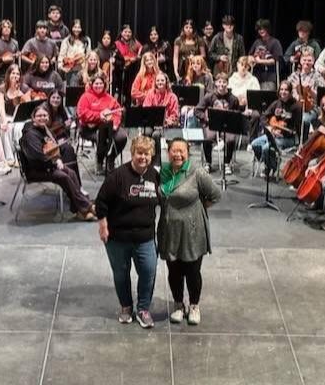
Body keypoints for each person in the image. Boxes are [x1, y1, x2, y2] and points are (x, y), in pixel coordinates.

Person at [96, 135, 160, 328]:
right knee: (121, 274)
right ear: (132, 153)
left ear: (152, 155)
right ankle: (125, 307)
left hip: (145, 237)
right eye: (139, 153)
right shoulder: (117, 176)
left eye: (147, 154)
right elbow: (101, 202)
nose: (143, 157)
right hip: (118, 238)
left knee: (149, 271)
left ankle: (143, 309)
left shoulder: (155, 175)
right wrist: (103, 226)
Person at [158, 138, 221, 325]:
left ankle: (194, 305)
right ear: (168, 153)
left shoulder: (197, 172)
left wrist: (197, 210)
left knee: (192, 271)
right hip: (169, 229)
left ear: (188, 152)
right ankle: (178, 304)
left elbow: (215, 195)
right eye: (174, 151)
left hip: (192, 231)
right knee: (174, 270)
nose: (178, 154)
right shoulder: (163, 172)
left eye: (181, 151)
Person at [20, 105, 96, 220]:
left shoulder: (43, 129)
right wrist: (55, 163)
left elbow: (51, 148)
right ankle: (86, 207)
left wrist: (58, 159)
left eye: (45, 115)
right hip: (35, 170)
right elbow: (38, 156)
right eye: (39, 116)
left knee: (71, 173)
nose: (42, 118)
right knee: (63, 176)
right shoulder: (31, 134)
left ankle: (80, 210)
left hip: (45, 166)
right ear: (33, 118)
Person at [77, 74, 127, 175]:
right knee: (101, 137)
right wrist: (99, 116)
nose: (98, 86)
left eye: (101, 83)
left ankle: (110, 158)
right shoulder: (85, 97)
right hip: (90, 128)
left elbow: (117, 112)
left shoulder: (109, 98)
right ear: (92, 84)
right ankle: (100, 161)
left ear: (104, 85)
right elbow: (82, 113)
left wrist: (115, 124)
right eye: (96, 83)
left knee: (122, 137)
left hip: (109, 127)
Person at [194, 72, 241, 175]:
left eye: (224, 82)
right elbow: (197, 110)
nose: (221, 84)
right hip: (212, 125)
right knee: (207, 138)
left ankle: (227, 163)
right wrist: (205, 118)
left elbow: (238, 114)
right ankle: (208, 163)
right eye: (219, 82)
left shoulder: (233, 99)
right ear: (215, 83)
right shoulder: (209, 96)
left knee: (231, 139)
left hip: (227, 126)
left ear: (227, 83)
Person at [251, 81, 299, 176]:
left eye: (286, 90)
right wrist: (270, 128)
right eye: (281, 89)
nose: (283, 92)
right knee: (254, 144)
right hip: (273, 134)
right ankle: (271, 163)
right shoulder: (276, 103)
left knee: (266, 148)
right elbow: (264, 116)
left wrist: (282, 132)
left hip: (287, 138)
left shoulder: (296, 106)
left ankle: (269, 167)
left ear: (290, 92)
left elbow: (296, 127)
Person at [142, 72, 180, 166]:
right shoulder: (150, 94)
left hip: (166, 125)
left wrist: (165, 122)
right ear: (155, 82)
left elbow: (174, 115)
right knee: (146, 132)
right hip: (152, 123)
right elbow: (145, 110)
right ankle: (147, 160)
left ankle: (156, 163)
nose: (160, 82)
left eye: (162, 80)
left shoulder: (172, 97)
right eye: (158, 80)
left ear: (166, 82)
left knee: (155, 135)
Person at [287, 49, 324, 140]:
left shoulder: (318, 76)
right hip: (296, 107)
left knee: (305, 120)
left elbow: (322, 97)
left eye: (309, 60)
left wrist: (310, 91)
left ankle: (304, 143)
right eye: (304, 60)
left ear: (313, 61)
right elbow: (286, 92)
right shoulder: (294, 76)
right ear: (300, 61)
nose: (306, 62)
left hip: (313, 107)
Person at [0, 64, 29, 166]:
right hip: (8, 115)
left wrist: (19, 93)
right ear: (8, 74)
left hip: (21, 117)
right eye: (13, 73)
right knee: (6, 128)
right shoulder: (2, 88)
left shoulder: (24, 88)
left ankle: (18, 157)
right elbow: (1, 107)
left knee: (18, 128)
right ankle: (9, 157)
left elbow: (27, 106)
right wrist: (4, 120)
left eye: (17, 74)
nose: (15, 76)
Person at [248, 19, 283, 91]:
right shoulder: (257, 42)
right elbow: (250, 56)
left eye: (263, 28)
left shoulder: (275, 42)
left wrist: (260, 61)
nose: (261, 30)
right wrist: (251, 58)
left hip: (269, 77)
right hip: (256, 76)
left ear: (268, 29)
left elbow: (275, 60)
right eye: (259, 29)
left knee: (266, 96)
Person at [115, 24, 142, 104]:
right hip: (120, 71)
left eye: (129, 32)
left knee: (129, 91)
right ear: (121, 33)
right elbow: (117, 57)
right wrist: (129, 58)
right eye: (125, 32)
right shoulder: (117, 43)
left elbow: (141, 51)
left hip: (132, 71)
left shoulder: (135, 43)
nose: (127, 34)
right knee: (120, 91)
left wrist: (136, 57)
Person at [58, 19, 90, 86]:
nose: (77, 29)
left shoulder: (87, 40)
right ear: (71, 28)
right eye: (75, 27)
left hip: (83, 70)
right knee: (72, 91)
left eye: (79, 27)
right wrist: (62, 67)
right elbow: (61, 56)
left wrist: (86, 71)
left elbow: (88, 55)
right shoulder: (66, 40)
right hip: (70, 70)